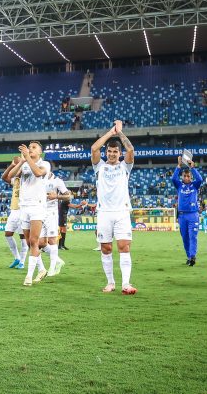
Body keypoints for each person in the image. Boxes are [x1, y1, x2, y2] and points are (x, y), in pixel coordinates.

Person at [91, 120, 137, 295]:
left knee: (124, 246)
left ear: (119, 153)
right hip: (103, 213)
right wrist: (111, 133)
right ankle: (110, 282)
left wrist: (120, 133)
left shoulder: (125, 166)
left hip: (122, 212)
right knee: (106, 248)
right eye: (109, 151)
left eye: (115, 151)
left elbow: (131, 150)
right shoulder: (99, 167)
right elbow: (94, 149)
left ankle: (126, 284)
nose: (111, 154)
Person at [7, 142, 51, 286]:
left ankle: (29, 276)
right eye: (29, 147)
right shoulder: (25, 163)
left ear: (40, 152)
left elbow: (38, 173)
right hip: (24, 206)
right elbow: (11, 176)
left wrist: (27, 157)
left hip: (37, 206)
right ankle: (42, 269)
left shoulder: (45, 164)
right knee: (29, 241)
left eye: (34, 147)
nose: (30, 149)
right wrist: (22, 162)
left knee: (34, 240)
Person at [172, 156, 203, 266]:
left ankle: (193, 256)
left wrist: (193, 168)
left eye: (188, 176)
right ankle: (189, 257)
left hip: (193, 215)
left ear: (191, 177)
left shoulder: (195, 185)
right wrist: (179, 166)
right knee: (185, 237)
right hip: (182, 216)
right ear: (182, 177)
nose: (186, 177)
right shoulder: (179, 185)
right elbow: (173, 179)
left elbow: (200, 179)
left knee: (192, 236)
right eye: (184, 176)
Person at [40, 170, 72, 276]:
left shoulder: (57, 181)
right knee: (41, 243)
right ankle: (58, 261)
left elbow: (68, 196)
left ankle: (52, 268)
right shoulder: (37, 179)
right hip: (39, 212)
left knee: (52, 240)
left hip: (51, 213)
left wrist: (56, 197)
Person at [1, 157, 29, 269]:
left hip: (23, 210)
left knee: (23, 237)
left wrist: (22, 164)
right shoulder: (15, 180)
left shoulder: (27, 180)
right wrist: (12, 165)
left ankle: (22, 261)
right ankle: (17, 258)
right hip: (14, 210)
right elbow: (3, 177)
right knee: (8, 234)